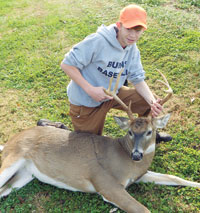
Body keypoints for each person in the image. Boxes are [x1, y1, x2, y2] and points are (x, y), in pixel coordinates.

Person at [60, 4, 172, 142]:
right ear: (119, 25)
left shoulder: (132, 48)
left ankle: (145, 133)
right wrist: (90, 90)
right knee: (89, 145)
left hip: (113, 95)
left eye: (138, 31)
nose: (133, 35)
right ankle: (57, 128)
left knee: (147, 100)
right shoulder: (98, 41)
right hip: (87, 101)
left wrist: (152, 102)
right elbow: (67, 64)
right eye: (129, 29)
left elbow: (137, 78)